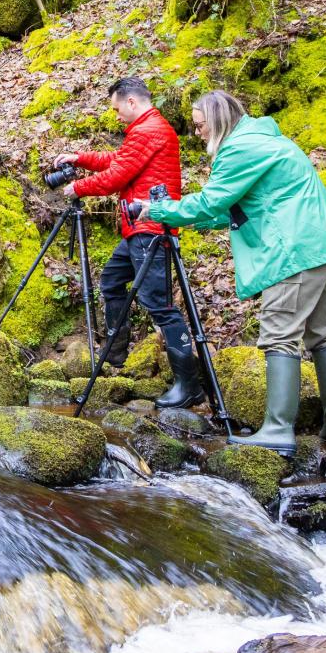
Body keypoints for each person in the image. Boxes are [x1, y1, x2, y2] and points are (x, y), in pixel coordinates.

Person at [132, 90, 326, 455]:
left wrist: (159, 211)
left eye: (200, 125)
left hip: (294, 249)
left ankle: (278, 430)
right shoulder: (263, 139)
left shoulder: (238, 149)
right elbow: (245, 203)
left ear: (217, 120)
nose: (198, 133)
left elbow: (213, 200)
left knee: (280, 332)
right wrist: (196, 218)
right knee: (322, 331)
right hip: (325, 242)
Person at [52, 76, 202, 408]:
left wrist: (78, 188)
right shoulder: (146, 131)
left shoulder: (150, 130)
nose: (117, 116)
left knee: (159, 305)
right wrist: (79, 158)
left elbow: (115, 178)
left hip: (151, 230)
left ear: (132, 102)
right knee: (112, 280)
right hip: (138, 230)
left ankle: (188, 384)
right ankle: (117, 355)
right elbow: (118, 160)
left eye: (118, 109)